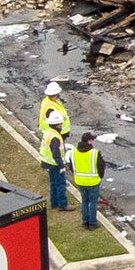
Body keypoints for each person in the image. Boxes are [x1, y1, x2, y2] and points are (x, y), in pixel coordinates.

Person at [37, 81, 71, 209]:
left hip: (49, 162)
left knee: (53, 183)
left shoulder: (49, 133)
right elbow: (56, 152)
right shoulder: (55, 137)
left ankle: (54, 203)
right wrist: (61, 165)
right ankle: (62, 204)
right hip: (55, 162)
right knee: (60, 183)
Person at [69, 132, 104, 218]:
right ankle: (92, 223)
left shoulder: (74, 152)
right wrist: (100, 176)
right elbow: (101, 166)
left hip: (80, 181)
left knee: (84, 201)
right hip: (93, 182)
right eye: (92, 140)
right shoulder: (94, 153)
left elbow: (71, 166)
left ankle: (85, 221)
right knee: (93, 202)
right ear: (89, 141)